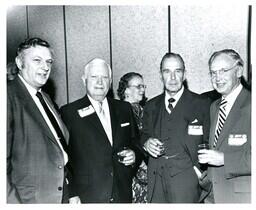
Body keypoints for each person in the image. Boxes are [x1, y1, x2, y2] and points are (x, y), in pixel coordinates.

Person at [60, 58, 140, 203]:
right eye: (94, 77)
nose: (99, 82)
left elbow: (137, 142)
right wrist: (72, 193)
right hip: (87, 196)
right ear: (84, 80)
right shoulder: (69, 113)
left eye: (104, 78)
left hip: (122, 194)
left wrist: (134, 154)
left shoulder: (124, 109)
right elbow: (64, 158)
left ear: (110, 82)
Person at [141, 52, 211, 203]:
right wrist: (146, 143)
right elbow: (143, 135)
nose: (172, 78)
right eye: (167, 71)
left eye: (177, 71)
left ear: (184, 75)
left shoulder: (202, 104)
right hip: (156, 182)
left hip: (187, 184)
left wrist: (198, 172)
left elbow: (210, 141)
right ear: (161, 76)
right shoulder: (151, 106)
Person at [7, 37, 70, 203]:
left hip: (58, 194)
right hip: (29, 200)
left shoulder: (45, 97)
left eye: (49, 62)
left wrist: (70, 191)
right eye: (37, 60)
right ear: (20, 63)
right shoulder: (8, 96)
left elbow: (59, 147)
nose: (45, 67)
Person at [198, 49, 251, 203]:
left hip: (241, 198)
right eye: (213, 73)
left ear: (239, 71)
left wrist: (224, 159)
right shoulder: (214, 106)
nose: (217, 78)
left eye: (223, 71)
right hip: (212, 195)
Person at [117, 72, 147, 203]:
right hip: (131, 171)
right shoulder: (118, 112)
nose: (142, 89)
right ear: (126, 90)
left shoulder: (143, 110)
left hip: (146, 170)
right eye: (138, 86)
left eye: (143, 86)